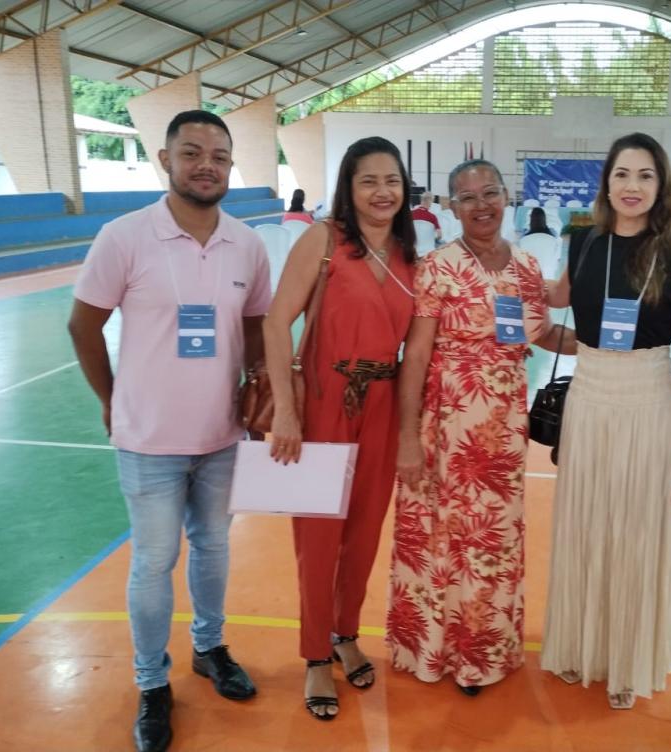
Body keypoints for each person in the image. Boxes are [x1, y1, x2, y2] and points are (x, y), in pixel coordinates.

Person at [68, 110, 267, 752]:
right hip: (148, 439)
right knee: (154, 561)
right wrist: (112, 397)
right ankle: (152, 683)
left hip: (221, 436)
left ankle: (209, 648)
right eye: (192, 152)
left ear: (231, 165)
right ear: (165, 159)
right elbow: (83, 325)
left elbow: (260, 324)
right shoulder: (124, 236)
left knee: (213, 547)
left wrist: (257, 382)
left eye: (219, 154)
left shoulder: (247, 242)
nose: (206, 164)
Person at [390, 159, 574, 696]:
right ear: (451, 207)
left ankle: (482, 652)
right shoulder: (437, 266)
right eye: (467, 197)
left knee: (490, 542)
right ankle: (435, 650)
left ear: (506, 196)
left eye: (490, 193)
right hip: (445, 422)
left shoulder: (523, 267)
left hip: (502, 427)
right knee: (442, 537)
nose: (481, 205)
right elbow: (416, 356)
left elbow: (541, 334)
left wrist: (616, 350)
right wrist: (407, 436)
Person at [539, 132, 671, 710]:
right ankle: (580, 649)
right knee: (585, 523)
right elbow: (554, 308)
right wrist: (498, 288)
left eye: (645, 175)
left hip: (649, 404)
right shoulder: (582, 244)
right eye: (622, 174)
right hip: (588, 397)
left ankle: (629, 660)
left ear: (661, 187)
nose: (632, 186)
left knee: (637, 531)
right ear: (606, 183)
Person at [262, 136, 417, 721]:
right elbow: (278, 325)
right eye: (368, 181)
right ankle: (314, 657)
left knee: (365, 531)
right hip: (326, 401)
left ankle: (345, 632)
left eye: (392, 181)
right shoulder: (323, 242)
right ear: (348, 190)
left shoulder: (408, 255)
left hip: (382, 404)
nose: (382, 192)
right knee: (319, 538)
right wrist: (285, 408)